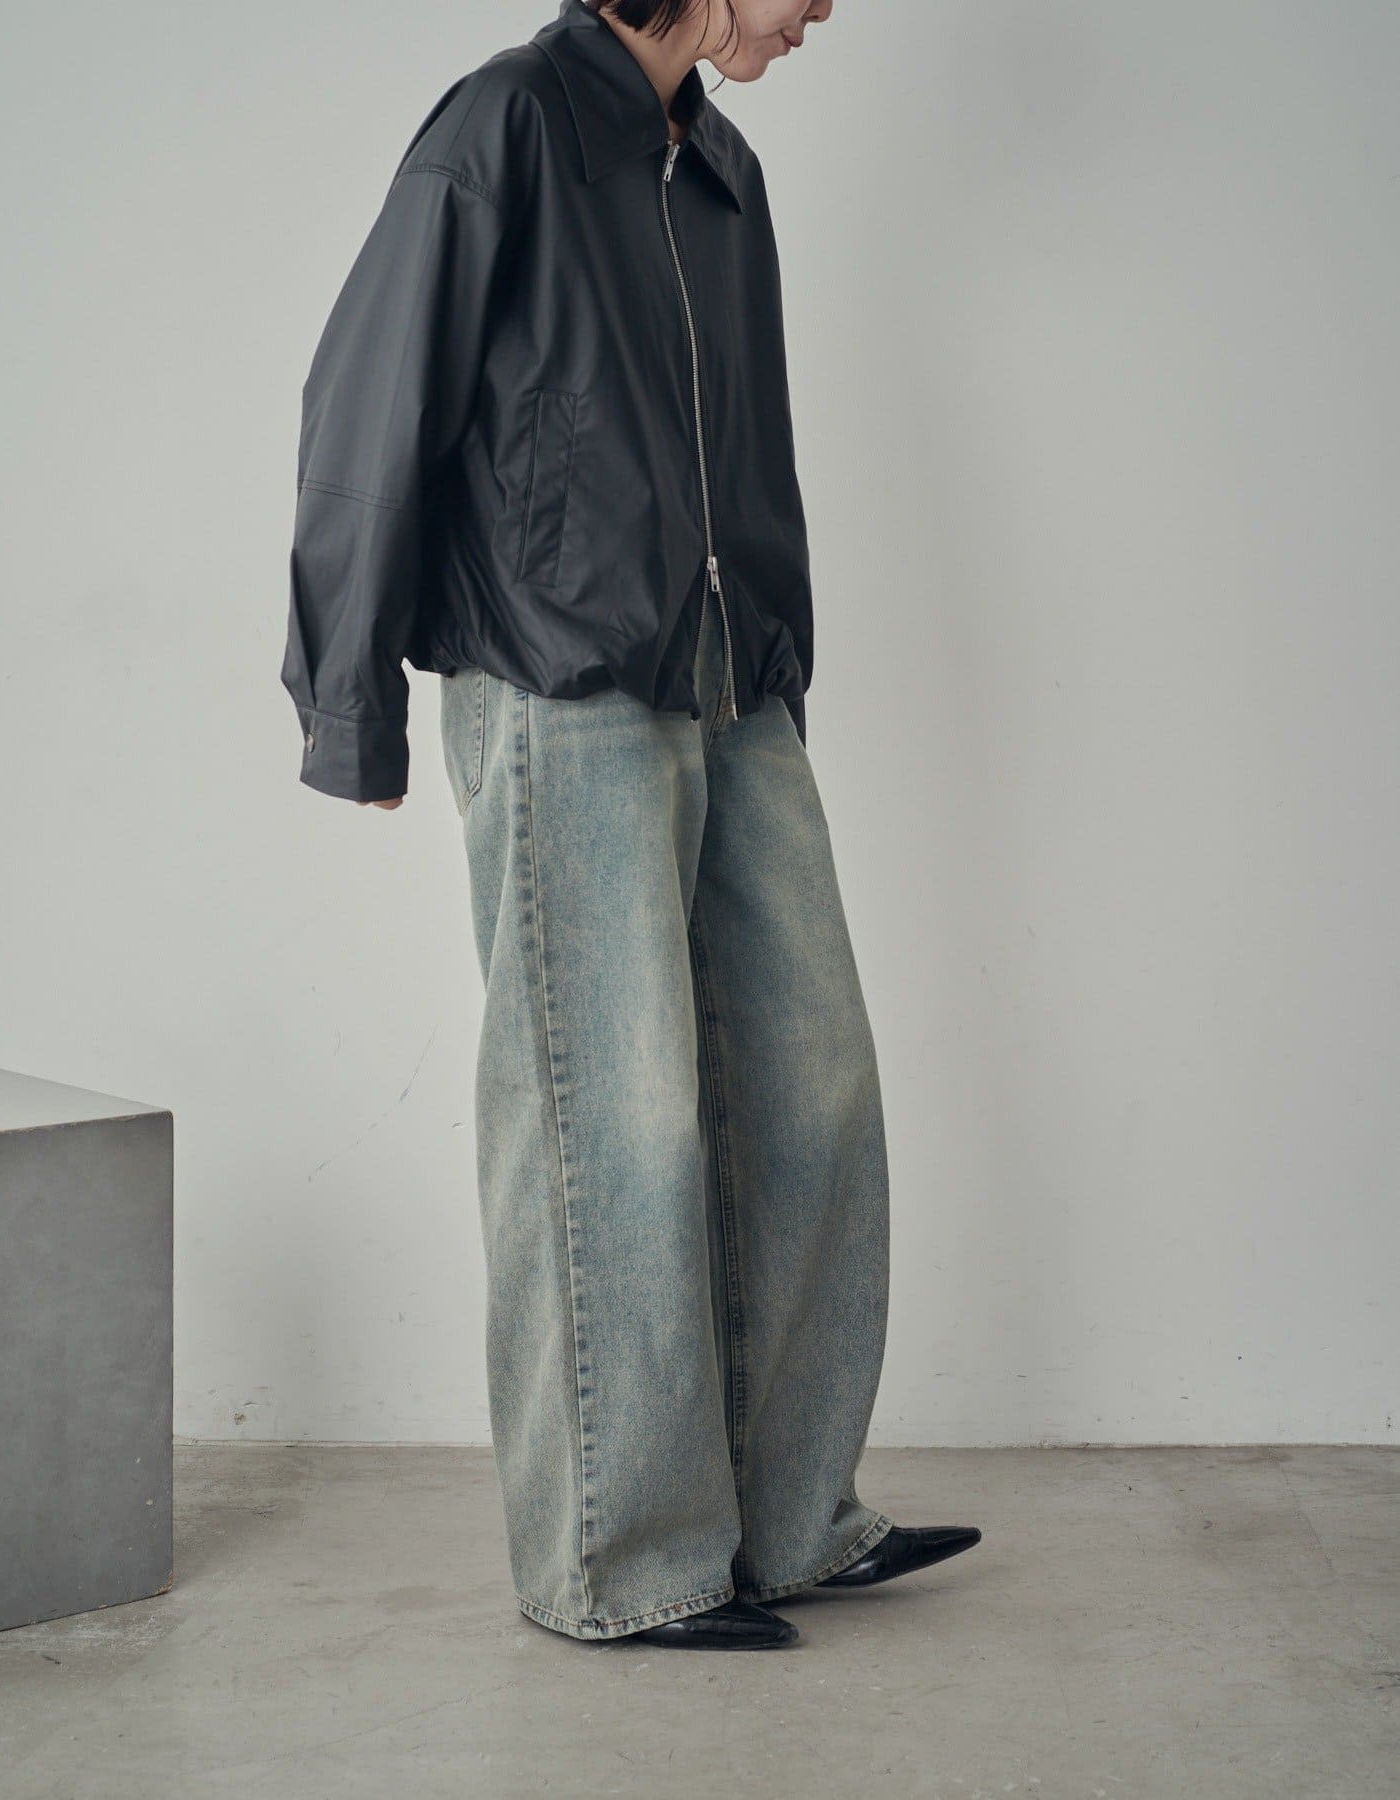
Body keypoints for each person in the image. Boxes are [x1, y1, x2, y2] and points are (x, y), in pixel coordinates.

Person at [280, 0, 980, 1650]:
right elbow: (367, 406)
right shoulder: (510, 126)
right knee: (615, 1120)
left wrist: (777, 656)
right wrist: (347, 697)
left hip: (731, 684)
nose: (823, 11)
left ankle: (789, 1520)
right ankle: (624, 1559)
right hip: (561, 676)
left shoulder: (720, 169)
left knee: (813, 1087)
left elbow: (748, 455)